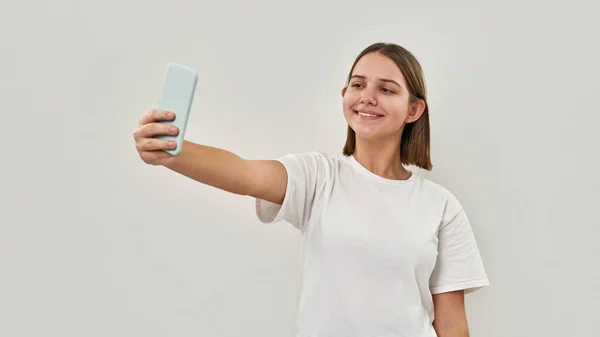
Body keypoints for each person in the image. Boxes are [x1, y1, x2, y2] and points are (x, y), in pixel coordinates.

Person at [132, 42, 490, 337]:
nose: (367, 97)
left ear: (414, 109)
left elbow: (451, 321)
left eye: (386, 89)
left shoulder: (440, 205)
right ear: (344, 94)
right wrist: (171, 152)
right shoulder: (319, 177)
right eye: (358, 84)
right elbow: (243, 173)